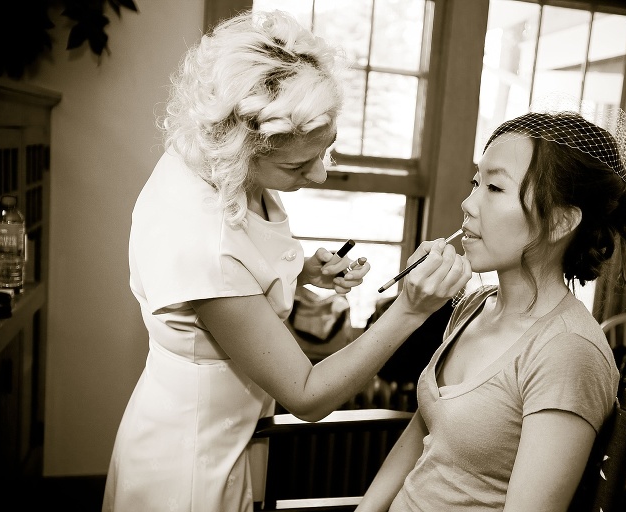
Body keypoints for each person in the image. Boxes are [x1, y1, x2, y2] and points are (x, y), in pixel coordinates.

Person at [102, 10, 471, 512]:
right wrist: (410, 309)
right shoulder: (199, 234)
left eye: (327, 152)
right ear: (240, 148)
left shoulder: (217, 166)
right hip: (189, 464)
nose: (319, 176)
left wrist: (302, 273)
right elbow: (306, 393)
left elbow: (241, 271)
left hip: (239, 431)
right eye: (298, 165)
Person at [357, 107, 626, 512]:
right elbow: (424, 438)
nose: (467, 203)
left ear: (559, 222)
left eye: (495, 189)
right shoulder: (475, 305)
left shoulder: (567, 352)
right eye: (475, 182)